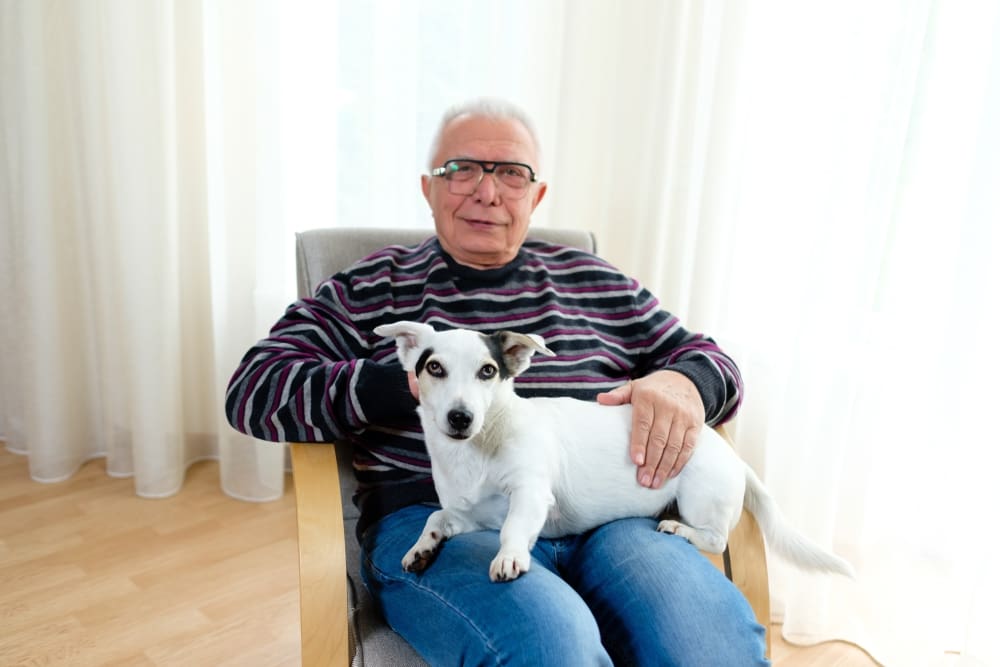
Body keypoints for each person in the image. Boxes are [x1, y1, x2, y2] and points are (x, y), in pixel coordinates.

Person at [225, 97, 767, 666]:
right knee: (552, 647)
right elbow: (255, 390)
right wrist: (414, 383)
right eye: (461, 170)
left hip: (616, 518)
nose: (487, 192)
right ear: (428, 189)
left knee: (710, 644)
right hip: (450, 520)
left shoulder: (598, 282)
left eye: (511, 173)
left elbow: (708, 361)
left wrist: (685, 385)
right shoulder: (370, 286)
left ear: (536, 197)